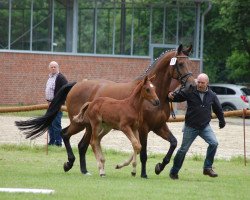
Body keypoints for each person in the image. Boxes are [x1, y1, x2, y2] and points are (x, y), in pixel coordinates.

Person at [168, 73, 225, 179]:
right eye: (198, 82)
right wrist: (172, 96)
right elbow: (179, 97)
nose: (199, 84)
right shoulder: (190, 91)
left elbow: (218, 108)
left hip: (204, 127)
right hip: (191, 126)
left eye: (202, 83)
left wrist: (222, 120)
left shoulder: (212, 95)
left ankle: (207, 168)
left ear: (207, 83)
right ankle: (174, 172)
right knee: (183, 150)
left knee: (214, 143)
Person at [45, 61, 68, 146]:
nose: (53, 68)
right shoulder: (50, 77)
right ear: (49, 68)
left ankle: (58, 143)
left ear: (58, 68)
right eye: (52, 67)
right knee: (50, 123)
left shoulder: (61, 78)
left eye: (55, 67)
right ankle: (52, 142)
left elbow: (66, 90)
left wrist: (59, 101)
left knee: (56, 124)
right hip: (49, 104)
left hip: (57, 105)